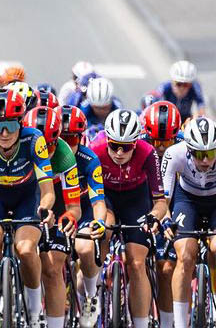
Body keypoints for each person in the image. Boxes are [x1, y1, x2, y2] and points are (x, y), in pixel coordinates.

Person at [0, 89, 55, 328]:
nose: (4, 133)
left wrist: (45, 208)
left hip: (27, 195)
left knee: (25, 249)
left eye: (11, 125)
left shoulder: (34, 139)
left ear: (21, 122)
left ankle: (35, 314)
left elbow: (47, 190)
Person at [163, 118, 216, 328]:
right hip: (187, 200)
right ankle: (180, 323)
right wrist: (165, 219)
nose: (204, 161)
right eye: (199, 154)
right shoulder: (174, 153)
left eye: (210, 153)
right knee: (184, 256)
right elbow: (162, 201)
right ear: (189, 149)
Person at [90, 109, 167, 328]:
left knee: (136, 261)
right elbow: (92, 198)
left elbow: (160, 202)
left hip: (136, 199)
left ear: (136, 143)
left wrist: (153, 217)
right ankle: (91, 285)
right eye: (114, 145)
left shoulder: (148, 153)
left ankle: (141, 323)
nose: (120, 152)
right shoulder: (95, 150)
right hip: (106, 197)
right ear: (107, 141)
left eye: (127, 147)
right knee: (105, 229)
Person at [23, 107, 81, 328]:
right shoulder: (16, 145)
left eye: (48, 146)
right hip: (25, 199)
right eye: (38, 146)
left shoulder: (65, 155)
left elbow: (73, 206)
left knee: (53, 266)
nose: (43, 152)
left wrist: (69, 217)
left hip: (54, 203)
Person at [55, 105, 106, 328]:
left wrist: (100, 222)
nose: (67, 143)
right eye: (62, 137)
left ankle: (91, 295)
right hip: (57, 211)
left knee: (85, 247)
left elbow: (98, 202)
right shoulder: (47, 154)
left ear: (81, 137)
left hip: (82, 210)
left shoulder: (89, 159)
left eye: (72, 138)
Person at [140, 101, 182, 328]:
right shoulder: (137, 143)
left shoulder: (186, 145)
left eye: (166, 141)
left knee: (166, 268)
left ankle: (167, 322)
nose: (160, 147)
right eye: (154, 141)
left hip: (176, 202)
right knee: (134, 261)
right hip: (142, 200)